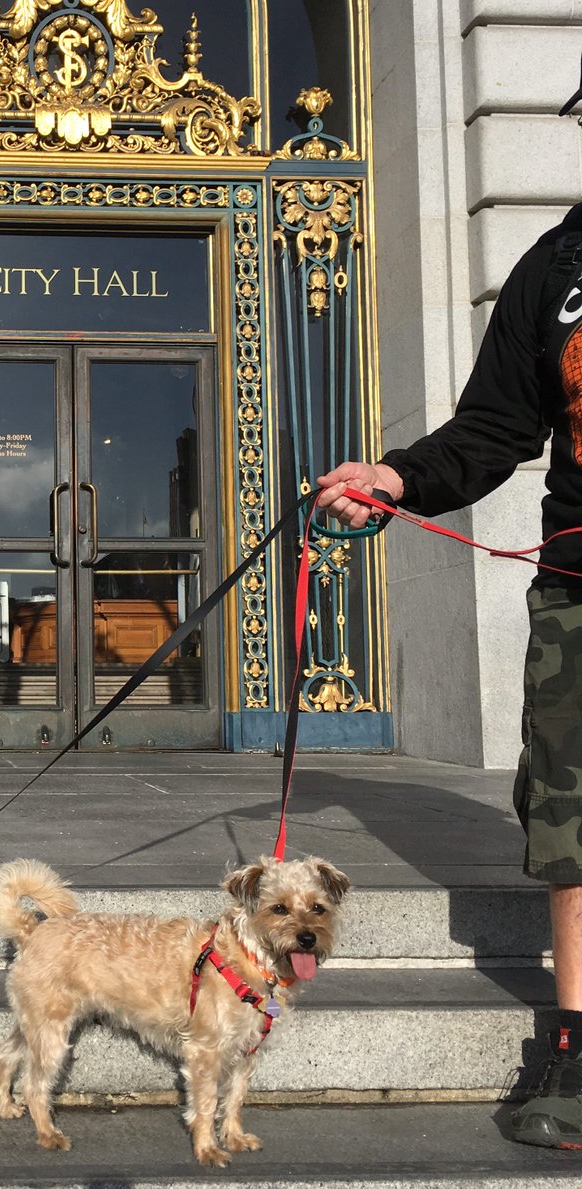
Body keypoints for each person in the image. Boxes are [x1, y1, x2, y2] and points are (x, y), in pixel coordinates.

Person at [315, 64, 582, 1150]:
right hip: (580, 590)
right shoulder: (559, 263)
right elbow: (492, 427)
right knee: (573, 827)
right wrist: (396, 477)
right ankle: (575, 1046)